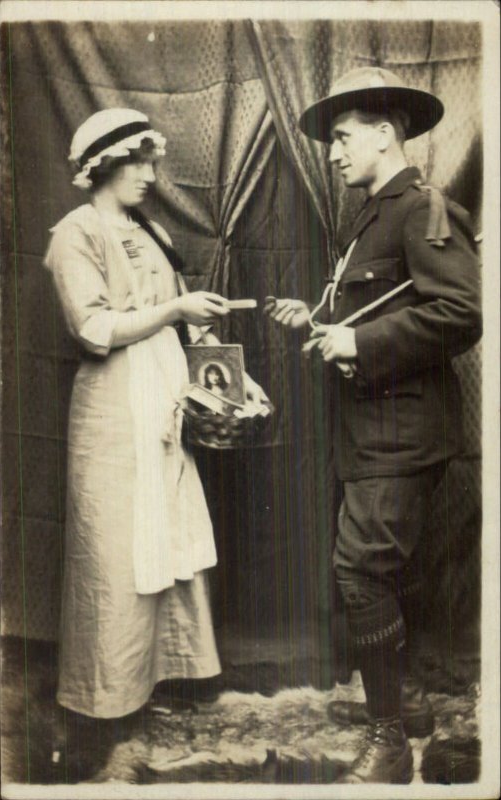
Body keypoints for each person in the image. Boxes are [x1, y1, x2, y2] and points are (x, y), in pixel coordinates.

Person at [264, 67, 481, 783]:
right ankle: (406, 702)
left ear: (387, 136)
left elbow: (462, 312)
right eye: (330, 142)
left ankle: (389, 745)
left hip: (401, 432)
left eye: (344, 137)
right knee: (388, 570)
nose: (332, 153)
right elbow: (381, 305)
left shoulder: (421, 208)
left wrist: (356, 344)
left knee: (361, 571)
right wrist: (323, 321)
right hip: (372, 431)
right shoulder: (370, 216)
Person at [45, 108, 266, 775]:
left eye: (149, 161)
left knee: (164, 548)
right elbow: (93, 328)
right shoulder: (74, 235)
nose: (149, 175)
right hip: (113, 416)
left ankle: (150, 687)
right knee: (114, 558)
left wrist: (226, 368)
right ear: (103, 165)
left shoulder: (151, 229)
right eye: (138, 163)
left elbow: (181, 326)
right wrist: (176, 309)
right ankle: (100, 706)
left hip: (163, 410)